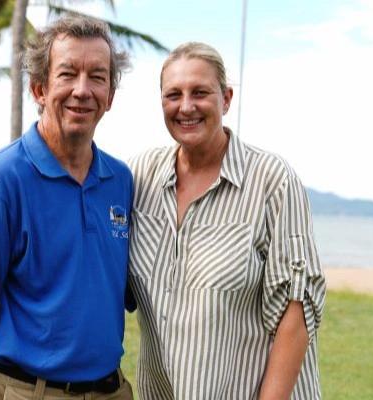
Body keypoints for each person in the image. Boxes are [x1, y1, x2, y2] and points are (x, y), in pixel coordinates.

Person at [0, 16, 134, 400]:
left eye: (97, 76)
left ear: (110, 96)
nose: (82, 90)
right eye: (67, 74)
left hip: (112, 391)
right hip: (28, 392)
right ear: (39, 88)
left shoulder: (121, 180)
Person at [127, 42, 326, 399]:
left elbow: (298, 308)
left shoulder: (272, 179)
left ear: (226, 99)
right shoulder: (140, 178)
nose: (186, 106)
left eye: (200, 92)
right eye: (174, 94)